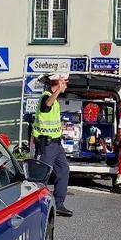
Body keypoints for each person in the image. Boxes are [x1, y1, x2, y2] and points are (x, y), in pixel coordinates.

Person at [32, 74, 73, 217]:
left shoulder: (56, 101)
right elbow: (46, 106)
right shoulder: (46, 97)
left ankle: (59, 204)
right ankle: (35, 204)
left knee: (63, 170)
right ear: (57, 83)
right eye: (64, 82)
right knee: (42, 175)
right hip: (46, 145)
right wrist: (57, 90)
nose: (66, 86)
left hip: (57, 144)